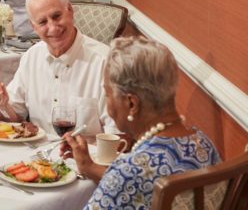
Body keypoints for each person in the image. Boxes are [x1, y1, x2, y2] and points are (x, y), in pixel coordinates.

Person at [63, 36, 220, 209]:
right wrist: (90, 168)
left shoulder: (127, 173)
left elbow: (132, 179)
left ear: (131, 104)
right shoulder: (205, 146)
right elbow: (145, 181)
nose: (107, 103)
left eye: (107, 94)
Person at [0, 0, 116, 137]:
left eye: (56, 16)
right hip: (37, 157)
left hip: (87, 158)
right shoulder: (31, 57)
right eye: (43, 22)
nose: (53, 28)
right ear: (33, 27)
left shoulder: (105, 63)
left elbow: (117, 136)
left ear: (70, 11)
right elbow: (13, 120)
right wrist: (0, 105)